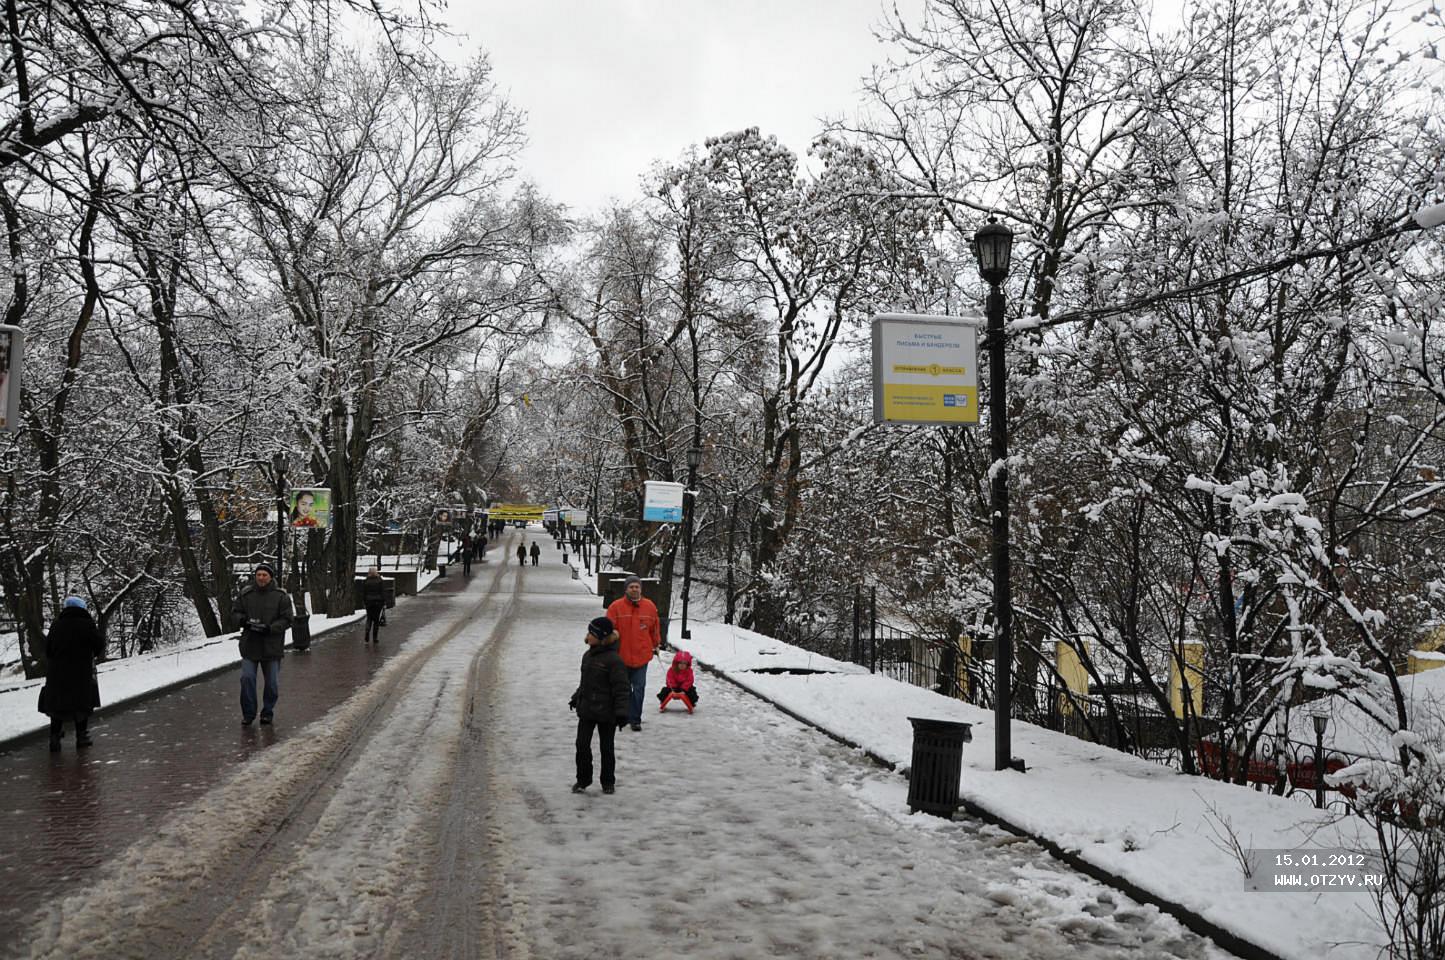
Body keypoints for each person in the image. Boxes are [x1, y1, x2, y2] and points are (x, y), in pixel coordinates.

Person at [568, 616, 629, 794]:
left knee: (606, 748)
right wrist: (576, 696)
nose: (588, 635)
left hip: (607, 713)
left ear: (601, 637)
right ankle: (583, 779)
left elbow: (622, 688)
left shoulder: (614, 660)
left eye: (591, 633)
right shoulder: (587, 656)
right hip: (587, 709)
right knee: (581, 745)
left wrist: (621, 712)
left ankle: (608, 781)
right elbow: (585, 682)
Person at [39, 597, 105, 752]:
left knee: (57, 706)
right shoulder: (87, 624)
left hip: (57, 673)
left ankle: (54, 738)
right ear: (82, 608)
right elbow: (99, 644)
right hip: (80, 671)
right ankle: (81, 737)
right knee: (81, 704)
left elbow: (48, 649)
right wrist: (89, 654)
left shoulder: (56, 625)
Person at [234, 562, 294, 726]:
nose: (261, 578)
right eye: (259, 575)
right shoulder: (246, 594)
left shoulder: (281, 596)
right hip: (250, 645)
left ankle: (267, 711)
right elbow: (236, 612)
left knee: (272, 683)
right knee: (247, 679)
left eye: (264, 575)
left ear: (270, 577)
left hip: (271, 646)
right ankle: (248, 713)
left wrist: (270, 628)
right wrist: (243, 621)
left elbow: (288, 619)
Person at [606, 575, 661, 731]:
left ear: (641, 589)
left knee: (639, 688)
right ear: (626, 589)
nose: (634, 589)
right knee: (621, 689)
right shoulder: (615, 607)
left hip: (641, 656)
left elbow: (655, 628)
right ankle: (620, 715)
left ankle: (635, 719)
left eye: (637, 586)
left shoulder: (649, 606)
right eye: (631, 587)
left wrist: (656, 644)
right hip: (620, 656)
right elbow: (608, 629)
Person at [361, 566, 387, 643]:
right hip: (378, 602)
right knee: (376, 620)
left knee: (369, 618)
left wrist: (364, 602)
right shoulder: (380, 580)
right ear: (376, 572)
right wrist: (384, 602)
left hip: (369, 602)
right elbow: (382, 592)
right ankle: (375, 638)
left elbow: (364, 593)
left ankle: (367, 631)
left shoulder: (366, 581)